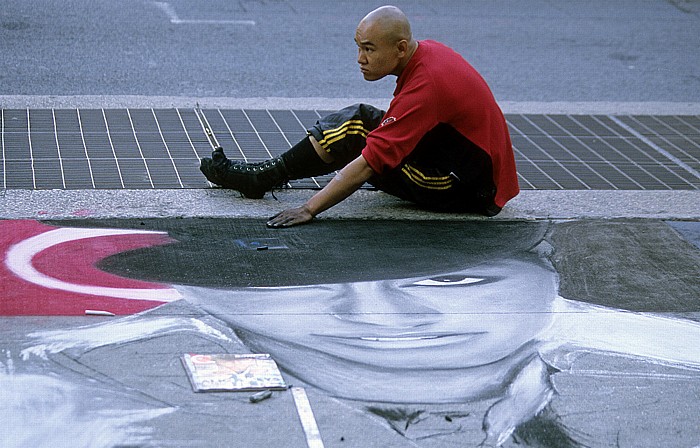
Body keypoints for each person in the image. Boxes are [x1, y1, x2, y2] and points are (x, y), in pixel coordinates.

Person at [199, 5, 519, 227]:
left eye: (369, 49)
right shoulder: (427, 54)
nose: (360, 59)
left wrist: (310, 209)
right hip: (461, 166)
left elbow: (370, 161)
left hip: (462, 188)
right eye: (358, 46)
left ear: (400, 48)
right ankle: (265, 176)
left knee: (357, 133)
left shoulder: (426, 85)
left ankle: (260, 179)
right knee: (361, 123)